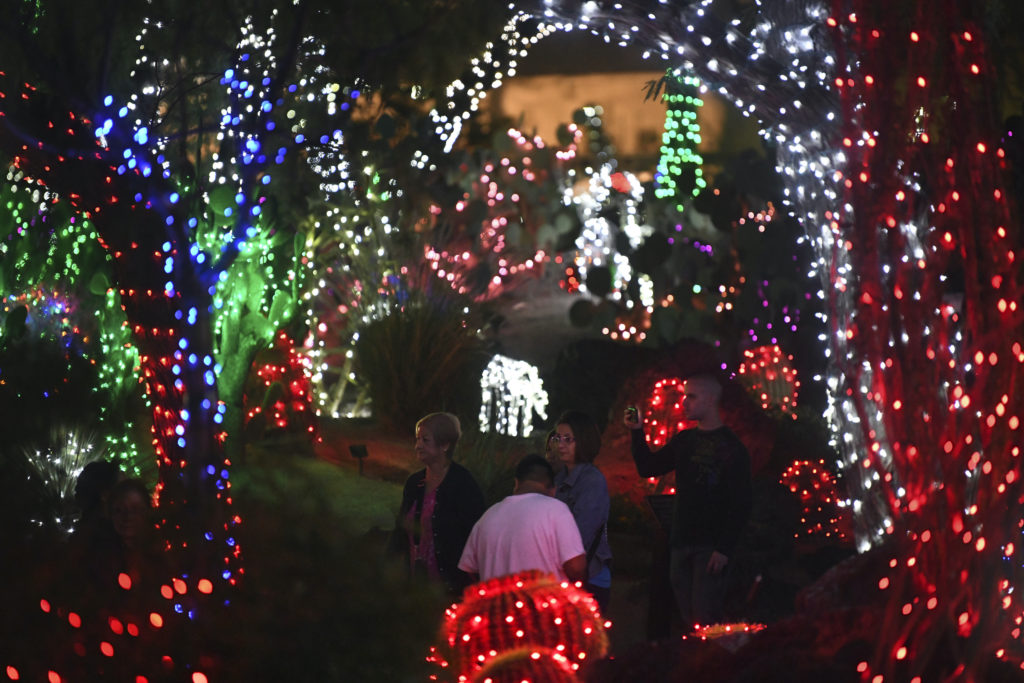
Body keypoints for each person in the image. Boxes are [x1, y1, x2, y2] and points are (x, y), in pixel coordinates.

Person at [624, 373, 752, 630]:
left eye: (691, 396)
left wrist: (724, 548)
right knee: (687, 617)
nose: (684, 402)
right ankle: (698, 664)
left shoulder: (732, 447)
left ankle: (712, 665)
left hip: (709, 545)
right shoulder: (685, 440)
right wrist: (637, 432)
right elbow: (649, 467)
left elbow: (741, 502)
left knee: (705, 618)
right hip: (681, 541)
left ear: (711, 398)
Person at [392, 412, 486, 596]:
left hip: (449, 588)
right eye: (417, 439)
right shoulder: (414, 482)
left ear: (445, 445)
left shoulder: (462, 483)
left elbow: (476, 534)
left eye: (425, 440)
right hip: (415, 585)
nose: (418, 446)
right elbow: (401, 529)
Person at [458, 454, 586, 583]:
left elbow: (469, 569)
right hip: (544, 601)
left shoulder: (488, 516)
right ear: (553, 490)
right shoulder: (557, 510)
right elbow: (576, 567)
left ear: (516, 483)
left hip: (496, 602)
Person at [550, 410, 612, 612]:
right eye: (558, 438)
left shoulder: (592, 481)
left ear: (583, 441)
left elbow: (581, 534)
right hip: (563, 574)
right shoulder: (559, 478)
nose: (561, 444)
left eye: (568, 439)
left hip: (588, 577)